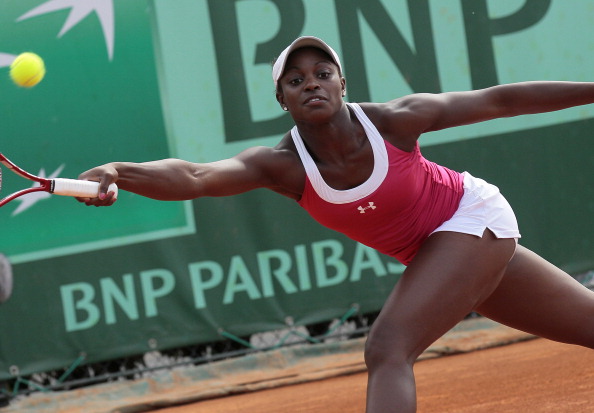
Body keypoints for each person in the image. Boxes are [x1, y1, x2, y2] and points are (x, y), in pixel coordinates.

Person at [77, 36, 594, 412]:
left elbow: (500, 100)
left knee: (387, 349)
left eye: (322, 73)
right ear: (282, 99)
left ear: (342, 82)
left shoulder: (396, 120)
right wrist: (119, 171)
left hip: (472, 217)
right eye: (295, 80)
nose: (311, 84)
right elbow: (195, 175)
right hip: (444, 249)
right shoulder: (282, 166)